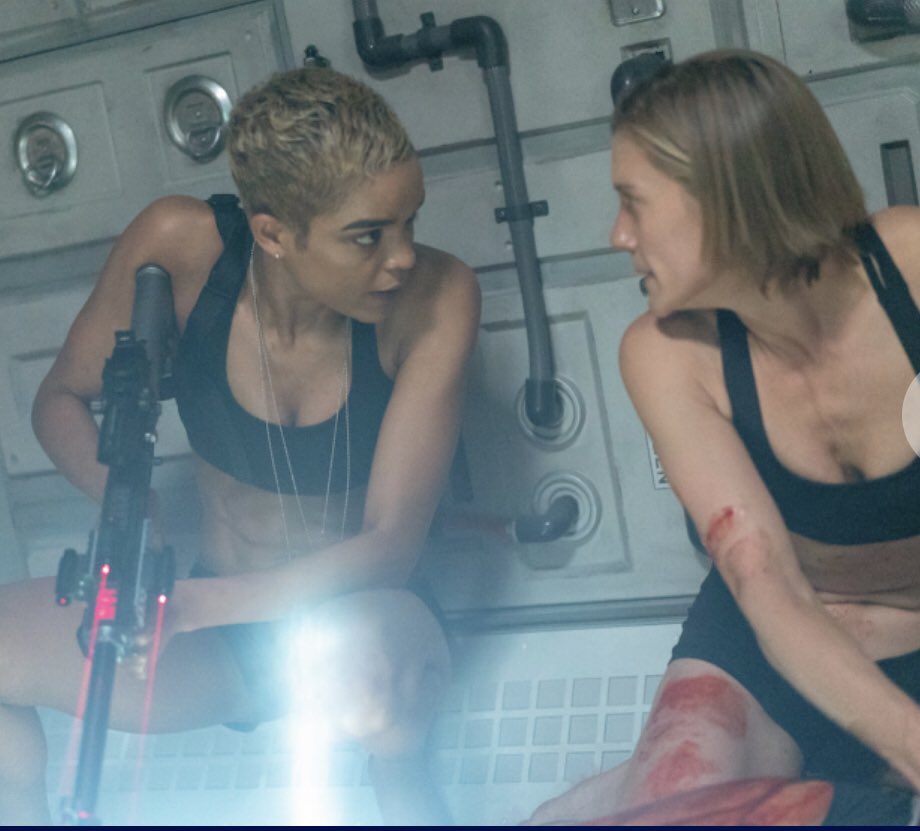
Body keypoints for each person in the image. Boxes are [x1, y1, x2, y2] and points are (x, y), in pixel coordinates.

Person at [11, 66, 480, 826]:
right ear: (272, 234)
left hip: (362, 616)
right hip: (216, 630)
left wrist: (193, 607)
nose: (401, 256)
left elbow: (391, 545)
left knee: (372, 690)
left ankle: (404, 786)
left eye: (409, 223)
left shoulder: (438, 295)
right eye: (368, 235)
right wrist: (135, 507)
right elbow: (59, 399)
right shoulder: (179, 245)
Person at [528, 48, 920, 825]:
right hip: (779, 645)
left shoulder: (910, 265)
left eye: (634, 203)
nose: (617, 234)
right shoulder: (664, 353)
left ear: (725, 193)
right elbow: (765, 580)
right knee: (672, 805)